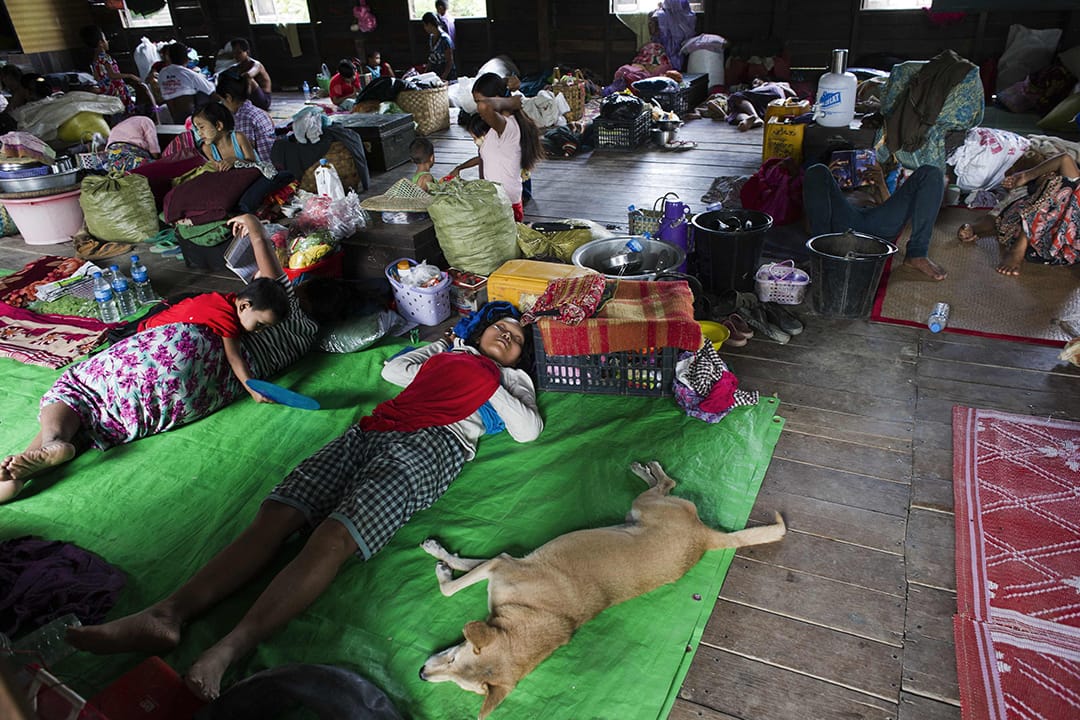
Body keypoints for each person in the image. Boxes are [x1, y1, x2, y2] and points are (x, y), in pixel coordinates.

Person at [65, 302, 544, 702]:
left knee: (334, 536)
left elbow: (528, 430)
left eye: (515, 338)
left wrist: (493, 374)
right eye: (498, 327)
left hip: (433, 445)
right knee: (278, 514)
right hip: (374, 428)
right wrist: (446, 347)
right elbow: (394, 370)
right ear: (478, 329)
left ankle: (231, 647)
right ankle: (165, 616)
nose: (506, 336)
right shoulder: (446, 356)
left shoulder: (512, 382)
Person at [0, 215, 327, 503]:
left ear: (301, 294)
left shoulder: (283, 304)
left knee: (78, 388)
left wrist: (254, 228)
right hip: (197, 394)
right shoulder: (306, 338)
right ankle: (32, 463)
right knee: (93, 424)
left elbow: (266, 264)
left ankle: (51, 445)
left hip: (176, 349)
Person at [137, 279, 290, 404]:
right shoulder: (226, 317)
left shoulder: (230, 300)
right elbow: (234, 358)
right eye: (260, 324)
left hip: (154, 320)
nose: (260, 331)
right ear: (244, 306)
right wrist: (253, 390)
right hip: (149, 332)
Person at [803, 159, 948, 281]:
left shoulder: (878, 182)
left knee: (932, 172)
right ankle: (820, 254)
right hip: (845, 223)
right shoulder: (831, 186)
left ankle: (917, 254)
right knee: (817, 170)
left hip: (878, 222)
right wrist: (826, 183)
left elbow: (892, 209)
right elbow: (810, 222)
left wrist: (880, 183)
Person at [958, 152, 1080, 276]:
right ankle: (1020, 245)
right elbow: (994, 217)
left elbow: (1064, 159)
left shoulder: (1070, 189)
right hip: (1040, 241)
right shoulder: (1020, 194)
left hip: (1070, 239)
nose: (1051, 176)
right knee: (1057, 186)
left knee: (1065, 185)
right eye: (1046, 173)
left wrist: (1027, 175)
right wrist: (973, 229)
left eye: (1054, 172)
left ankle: (1019, 248)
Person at [449, 73, 543, 222]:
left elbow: (484, 106)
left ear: (496, 99)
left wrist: (511, 101)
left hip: (507, 203)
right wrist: (459, 168)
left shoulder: (507, 126)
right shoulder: (497, 127)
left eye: (478, 100)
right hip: (499, 200)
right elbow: (484, 158)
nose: (477, 108)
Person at [81, 25, 146, 116]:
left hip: (106, 92)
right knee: (127, 108)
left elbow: (96, 77)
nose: (107, 42)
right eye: (105, 39)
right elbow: (112, 75)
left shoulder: (94, 59)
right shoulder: (105, 57)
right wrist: (131, 75)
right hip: (116, 90)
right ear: (101, 43)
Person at [216, 70, 275, 162]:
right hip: (273, 160)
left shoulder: (242, 118)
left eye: (222, 100)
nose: (222, 104)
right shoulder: (259, 111)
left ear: (228, 98)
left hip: (264, 166)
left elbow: (247, 152)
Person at [158, 42, 216, 122]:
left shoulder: (162, 73)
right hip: (190, 118)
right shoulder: (189, 74)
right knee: (205, 94)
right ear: (186, 58)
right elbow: (212, 91)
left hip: (174, 116)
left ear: (169, 58)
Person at [192, 101, 258, 169]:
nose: (199, 133)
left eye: (202, 127)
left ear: (219, 125)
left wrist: (236, 161)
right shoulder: (207, 149)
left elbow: (254, 164)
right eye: (197, 129)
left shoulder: (239, 138)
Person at [725, 78, 796, 131]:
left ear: (762, 80)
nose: (754, 83)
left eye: (756, 81)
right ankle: (748, 120)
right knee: (735, 112)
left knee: (735, 96)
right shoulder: (754, 95)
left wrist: (779, 85)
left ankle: (755, 117)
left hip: (773, 95)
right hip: (763, 106)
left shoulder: (771, 84)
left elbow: (794, 94)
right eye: (753, 83)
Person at [229, 38, 272, 111]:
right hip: (250, 100)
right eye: (234, 53)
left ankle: (243, 103)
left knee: (248, 78)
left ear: (247, 52)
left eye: (239, 53)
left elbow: (248, 75)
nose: (236, 56)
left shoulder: (256, 64)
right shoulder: (237, 66)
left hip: (263, 100)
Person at [422, 11, 455, 83]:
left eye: (425, 25)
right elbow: (431, 57)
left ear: (430, 24)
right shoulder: (431, 37)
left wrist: (443, 77)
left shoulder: (445, 39)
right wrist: (426, 72)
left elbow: (449, 62)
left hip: (447, 74)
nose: (424, 28)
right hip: (437, 71)